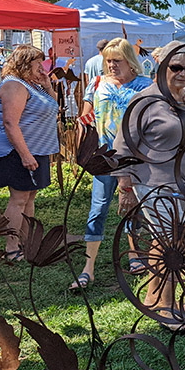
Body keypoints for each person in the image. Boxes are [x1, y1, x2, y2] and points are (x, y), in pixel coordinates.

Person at [111, 41, 185, 326]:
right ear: (162, 67)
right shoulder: (145, 101)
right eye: (176, 67)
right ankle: (168, 308)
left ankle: (152, 295)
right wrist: (125, 188)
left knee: (168, 241)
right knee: (173, 247)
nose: (183, 73)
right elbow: (121, 148)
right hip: (154, 185)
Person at [70, 38, 151, 290]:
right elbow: (85, 116)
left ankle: (134, 253)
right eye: (108, 61)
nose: (112, 65)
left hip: (133, 156)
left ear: (130, 61)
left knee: (131, 207)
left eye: (117, 60)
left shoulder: (145, 86)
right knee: (99, 207)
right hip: (103, 156)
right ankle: (88, 267)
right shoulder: (98, 83)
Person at [0, 45, 60, 260]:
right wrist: (25, 155)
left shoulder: (33, 85)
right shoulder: (14, 85)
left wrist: (47, 86)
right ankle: (11, 247)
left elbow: (53, 108)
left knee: (29, 197)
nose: (42, 68)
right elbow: (10, 123)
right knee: (18, 198)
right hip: (16, 150)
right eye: (38, 63)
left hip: (37, 148)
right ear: (25, 64)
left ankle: (27, 242)